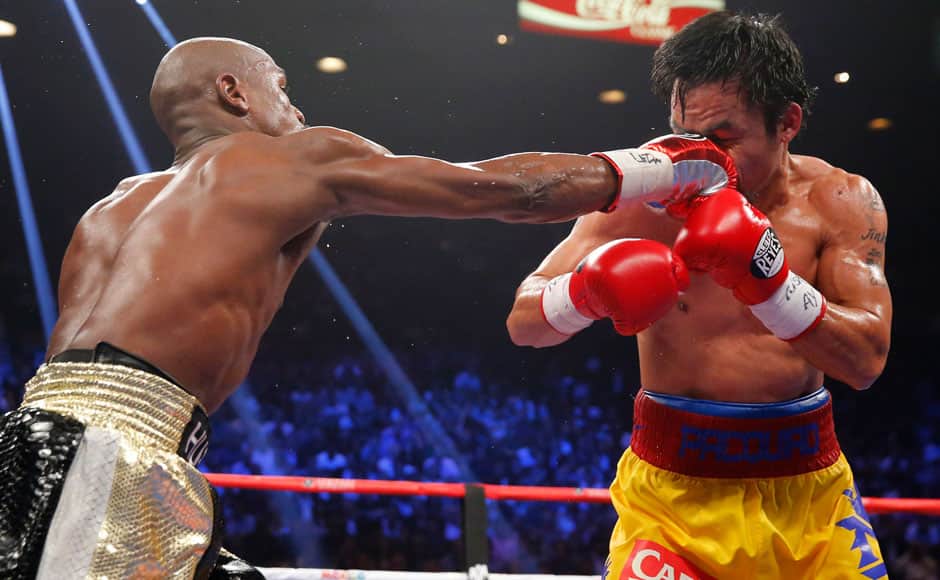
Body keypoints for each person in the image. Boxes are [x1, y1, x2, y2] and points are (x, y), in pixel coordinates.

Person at [0, 37, 737, 579]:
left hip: (49, 443)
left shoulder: (108, 209)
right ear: (233, 92)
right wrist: (659, 168)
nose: (295, 103)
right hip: (102, 463)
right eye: (281, 85)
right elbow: (502, 190)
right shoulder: (292, 160)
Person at [506, 11, 893, 580]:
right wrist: (586, 291)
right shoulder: (644, 196)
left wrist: (771, 285)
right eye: (684, 135)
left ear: (787, 122)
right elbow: (523, 321)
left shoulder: (840, 200)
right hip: (671, 500)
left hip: (810, 499)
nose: (699, 156)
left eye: (722, 138)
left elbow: (866, 361)